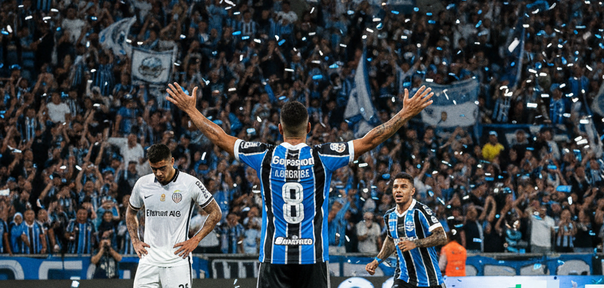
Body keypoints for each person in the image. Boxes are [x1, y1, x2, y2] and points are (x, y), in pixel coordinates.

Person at [166, 82, 434, 288]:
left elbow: (219, 137)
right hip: (312, 257)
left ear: (279, 128)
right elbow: (371, 139)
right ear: (309, 127)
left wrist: (191, 109)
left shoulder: (264, 156)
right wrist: (404, 113)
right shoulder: (323, 156)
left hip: (274, 257)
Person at [126, 143, 222, 288]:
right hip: (148, 261)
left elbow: (216, 212)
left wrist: (195, 239)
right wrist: (135, 240)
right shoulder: (142, 184)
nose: (158, 173)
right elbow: (131, 212)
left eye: (162, 168)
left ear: (172, 161)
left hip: (177, 261)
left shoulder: (190, 183)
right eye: (154, 169)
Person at [365, 172, 447, 288]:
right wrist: (377, 261)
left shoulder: (421, 211)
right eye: (395, 187)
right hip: (404, 278)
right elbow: (391, 239)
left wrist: (415, 243)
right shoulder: (389, 215)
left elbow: (441, 236)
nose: (398, 190)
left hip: (429, 280)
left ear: (412, 191)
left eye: (403, 187)